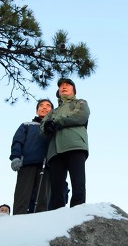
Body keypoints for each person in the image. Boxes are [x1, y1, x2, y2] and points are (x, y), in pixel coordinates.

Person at [42, 78, 89, 209]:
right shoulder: (52, 111)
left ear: (73, 90)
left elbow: (81, 116)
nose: (64, 87)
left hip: (75, 145)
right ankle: (57, 217)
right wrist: (46, 127)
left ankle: (78, 214)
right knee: (56, 189)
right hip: (55, 150)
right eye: (61, 86)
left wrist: (56, 122)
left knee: (78, 184)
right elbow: (42, 126)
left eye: (67, 85)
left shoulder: (80, 102)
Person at [9, 98, 53, 214]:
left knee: (42, 200)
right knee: (22, 198)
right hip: (27, 164)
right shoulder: (27, 125)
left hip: (47, 166)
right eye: (41, 105)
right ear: (37, 110)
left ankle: (40, 228)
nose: (44, 107)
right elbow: (18, 141)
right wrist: (15, 157)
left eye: (48, 105)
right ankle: (18, 224)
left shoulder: (54, 128)